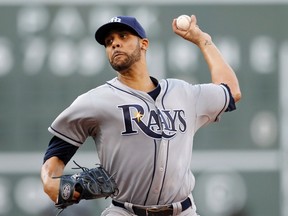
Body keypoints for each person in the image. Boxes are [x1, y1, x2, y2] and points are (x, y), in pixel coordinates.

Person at [41, 15, 241, 216]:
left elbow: (232, 91)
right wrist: (50, 180)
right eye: (109, 42)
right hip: (124, 211)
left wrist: (202, 40)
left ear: (144, 44)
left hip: (183, 211)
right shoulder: (95, 101)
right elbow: (56, 153)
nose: (115, 43)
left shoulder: (184, 93)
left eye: (123, 36)